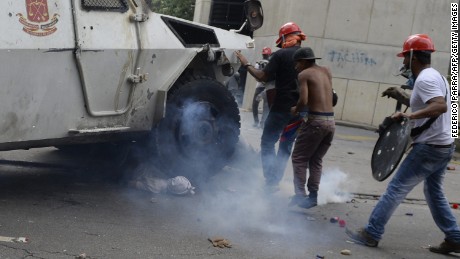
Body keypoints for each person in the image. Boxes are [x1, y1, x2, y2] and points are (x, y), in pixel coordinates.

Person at [346, 34, 460, 254]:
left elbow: (439, 106)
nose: (403, 63)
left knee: (396, 188)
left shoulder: (425, 79)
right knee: (434, 192)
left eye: (404, 58)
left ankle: (372, 232)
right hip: (444, 146)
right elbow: (430, 104)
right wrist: (404, 102)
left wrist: (410, 117)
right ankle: (455, 237)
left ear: (412, 56)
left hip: (429, 147)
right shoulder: (436, 76)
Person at [235, 22, 307, 192]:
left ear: (283, 38)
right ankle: (276, 179)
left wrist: (246, 63)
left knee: (267, 143)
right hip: (299, 111)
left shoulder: (280, 55)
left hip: (281, 109)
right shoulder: (307, 57)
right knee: (285, 146)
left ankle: (271, 181)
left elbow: (263, 77)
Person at [288, 47, 335, 208]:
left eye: (297, 63)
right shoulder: (326, 71)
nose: (296, 67)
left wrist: (295, 109)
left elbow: (304, 100)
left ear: (305, 61)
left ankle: (300, 195)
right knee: (316, 159)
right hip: (330, 122)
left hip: (315, 122)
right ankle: (313, 196)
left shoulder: (304, 74)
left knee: (299, 158)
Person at [252, 47, 274, 128]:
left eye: (266, 55)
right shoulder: (258, 63)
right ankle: (256, 121)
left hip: (267, 86)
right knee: (255, 104)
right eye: (264, 55)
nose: (265, 56)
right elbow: (256, 76)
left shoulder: (271, 63)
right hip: (261, 86)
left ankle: (262, 123)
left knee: (266, 106)